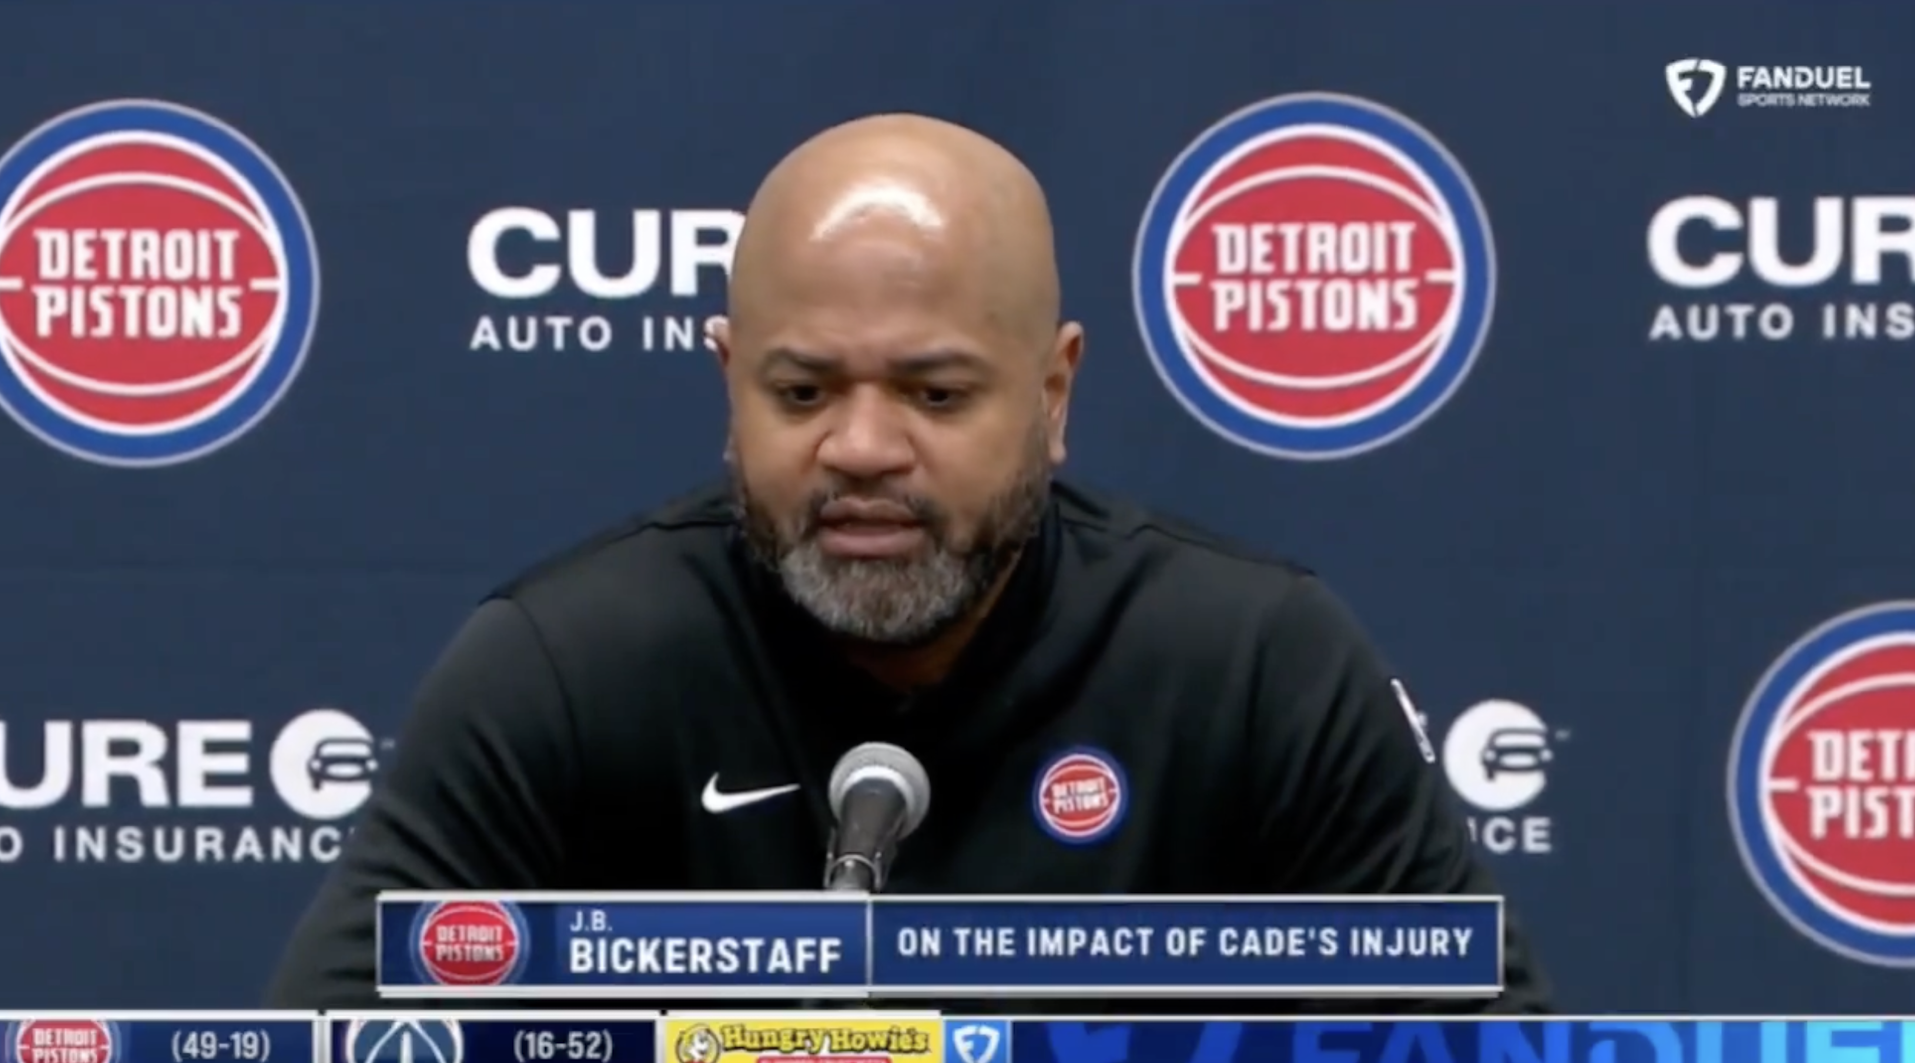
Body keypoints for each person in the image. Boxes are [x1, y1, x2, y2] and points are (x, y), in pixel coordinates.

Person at [267, 114, 1550, 1012]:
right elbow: (341, 1029)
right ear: (730, 383)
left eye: (935, 394)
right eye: (802, 391)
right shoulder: (566, 668)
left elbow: (1481, 1034)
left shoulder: (1252, 664)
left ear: (1053, 393)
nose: (862, 449)